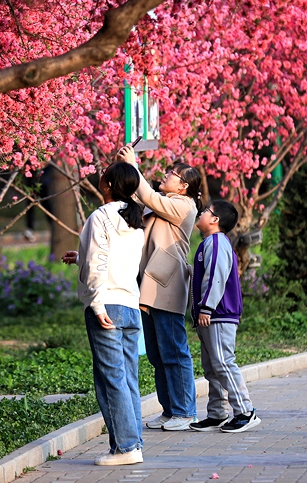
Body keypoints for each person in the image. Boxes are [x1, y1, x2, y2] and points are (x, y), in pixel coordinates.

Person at [61, 162, 146, 466]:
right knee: (128, 379)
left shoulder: (100, 216)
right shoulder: (135, 220)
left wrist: (96, 304)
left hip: (106, 305)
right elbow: (114, 259)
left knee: (111, 380)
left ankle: (125, 448)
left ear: (109, 184)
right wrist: (80, 256)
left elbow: (99, 264)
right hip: (129, 305)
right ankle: (133, 443)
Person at [116, 145, 199, 431]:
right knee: (156, 352)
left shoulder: (184, 206)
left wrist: (133, 164)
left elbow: (146, 194)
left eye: (172, 174)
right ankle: (169, 409)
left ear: (184, 186)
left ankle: (185, 412)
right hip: (148, 283)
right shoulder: (163, 200)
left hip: (167, 283)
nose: (166, 175)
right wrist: (128, 171)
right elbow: (140, 195)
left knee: (174, 350)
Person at [188, 200, 261, 433]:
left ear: (215, 220)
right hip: (210, 315)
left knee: (223, 362)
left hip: (218, 314)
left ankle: (245, 410)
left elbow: (216, 277)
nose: (200, 213)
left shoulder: (218, 242)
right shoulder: (209, 243)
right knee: (212, 366)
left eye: (205, 211)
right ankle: (217, 413)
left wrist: (207, 308)